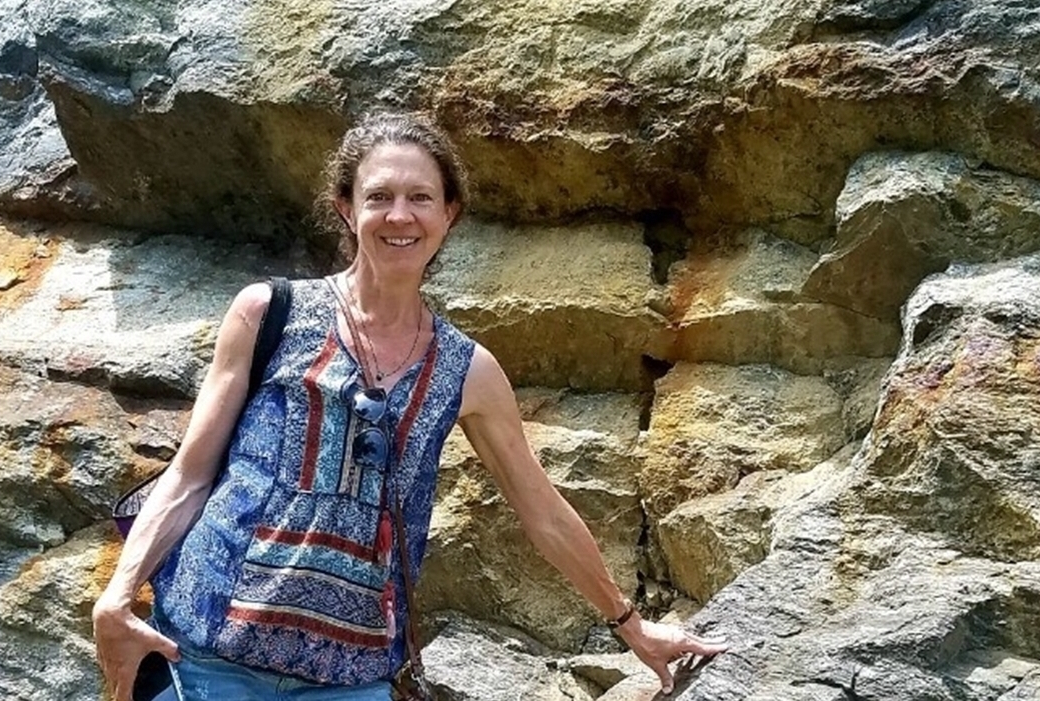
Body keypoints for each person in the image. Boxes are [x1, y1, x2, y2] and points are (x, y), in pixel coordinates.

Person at [92, 112, 727, 701]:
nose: (401, 216)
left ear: (449, 213)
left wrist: (632, 626)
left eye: (420, 197)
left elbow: (544, 513)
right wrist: (117, 598)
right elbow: (190, 474)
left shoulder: (466, 370)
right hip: (204, 656)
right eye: (379, 197)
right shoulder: (268, 313)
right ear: (347, 210)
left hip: (352, 678)